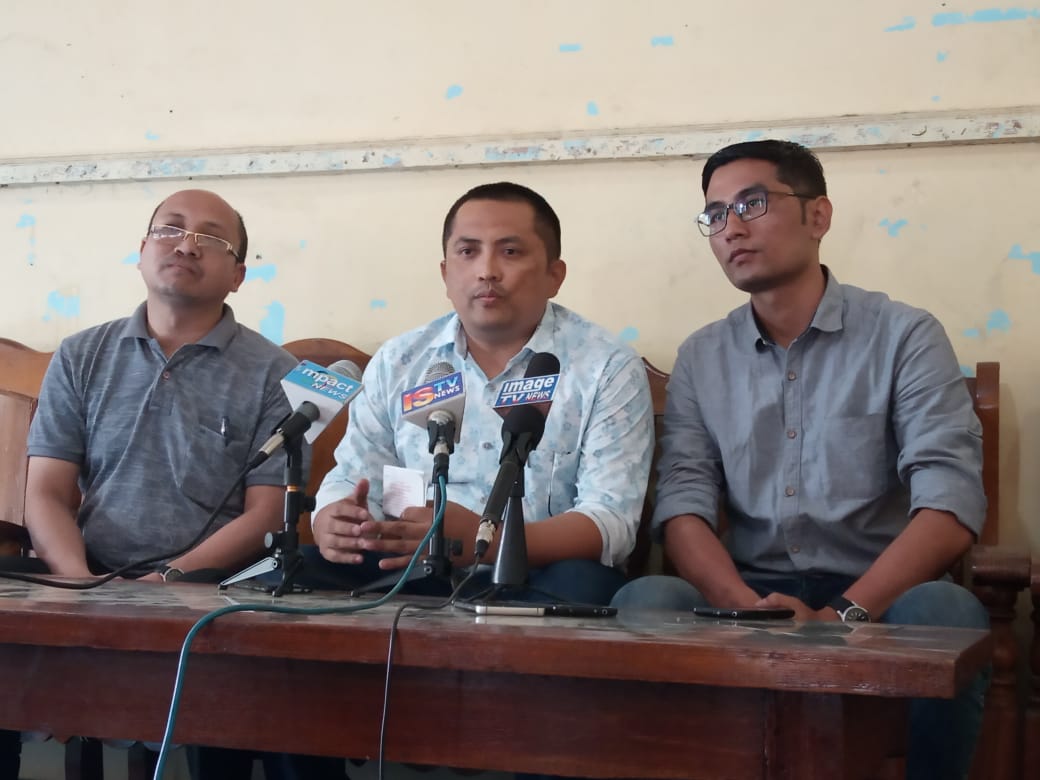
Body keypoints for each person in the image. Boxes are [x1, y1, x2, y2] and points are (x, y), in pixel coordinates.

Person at [611, 140, 990, 780]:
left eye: (752, 204)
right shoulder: (703, 355)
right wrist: (744, 610)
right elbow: (683, 504)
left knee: (947, 615)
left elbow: (949, 503)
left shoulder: (904, 335)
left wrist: (843, 615)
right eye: (715, 214)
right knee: (645, 599)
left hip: (880, 595)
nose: (731, 228)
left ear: (819, 216)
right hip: (750, 590)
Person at [6, 189, 343, 780]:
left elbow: (267, 513)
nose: (187, 244)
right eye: (171, 229)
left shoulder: (277, 374)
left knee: (281, 695)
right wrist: (80, 583)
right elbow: (46, 493)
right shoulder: (82, 356)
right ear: (142, 250)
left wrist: (170, 580)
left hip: (214, 590)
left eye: (211, 238)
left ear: (238, 275)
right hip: (86, 577)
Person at [307, 181, 654, 605]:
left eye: (510, 251)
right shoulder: (400, 361)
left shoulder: (605, 366)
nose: (487, 270)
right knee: (298, 572)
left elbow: (610, 521)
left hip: (537, 574)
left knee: (586, 585)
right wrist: (334, 519)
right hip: (412, 567)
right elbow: (353, 474)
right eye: (468, 252)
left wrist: (486, 539)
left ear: (554, 275)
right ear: (446, 273)